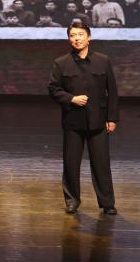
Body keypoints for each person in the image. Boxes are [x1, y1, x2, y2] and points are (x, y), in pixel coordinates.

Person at [47, 20, 118, 215]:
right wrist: (71, 98)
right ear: (69, 39)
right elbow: (53, 89)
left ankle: (107, 203)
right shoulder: (61, 63)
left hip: (98, 121)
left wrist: (112, 118)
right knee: (71, 163)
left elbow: (112, 91)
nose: (76, 39)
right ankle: (72, 201)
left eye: (80, 35)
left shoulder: (102, 60)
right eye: (72, 36)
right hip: (73, 121)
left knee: (101, 164)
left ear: (89, 38)